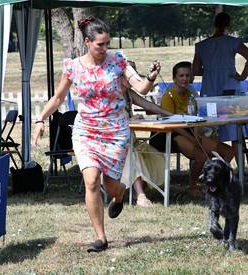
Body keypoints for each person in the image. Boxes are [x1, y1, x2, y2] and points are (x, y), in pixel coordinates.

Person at [33, 17, 161, 252]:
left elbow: (141, 88)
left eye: (107, 44)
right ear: (88, 42)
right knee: (91, 180)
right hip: (86, 131)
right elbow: (58, 98)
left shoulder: (119, 62)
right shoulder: (73, 66)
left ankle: (120, 194)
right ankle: (101, 238)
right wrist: (40, 118)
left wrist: (151, 77)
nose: (105, 49)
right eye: (100, 44)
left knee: (112, 186)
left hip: (115, 132)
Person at [150, 61, 234, 196]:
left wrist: (197, 137)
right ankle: (193, 186)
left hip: (189, 131)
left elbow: (195, 118)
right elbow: (172, 124)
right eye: (181, 75)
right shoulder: (168, 96)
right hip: (168, 133)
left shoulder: (191, 94)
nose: (185, 79)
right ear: (174, 78)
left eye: (187, 75)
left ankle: (215, 182)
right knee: (200, 156)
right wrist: (194, 140)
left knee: (228, 151)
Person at [192, 12, 248, 155]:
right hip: (230, 84)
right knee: (236, 129)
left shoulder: (201, 45)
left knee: (209, 128)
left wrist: (209, 71)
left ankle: (211, 165)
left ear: (214, 25)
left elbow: (195, 70)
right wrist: (243, 76)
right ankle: (239, 171)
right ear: (228, 25)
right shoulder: (233, 42)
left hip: (210, 87)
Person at [121, 61, 173, 207]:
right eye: (131, 77)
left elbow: (149, 106)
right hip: (114, 144)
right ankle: (140, 195)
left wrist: (172, 115)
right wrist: (130, 118)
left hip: (132, 141)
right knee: (132, 155)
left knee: (155, 156)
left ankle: (140, 189)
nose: (135, 81)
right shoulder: (111, 95)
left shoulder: (129, 94)